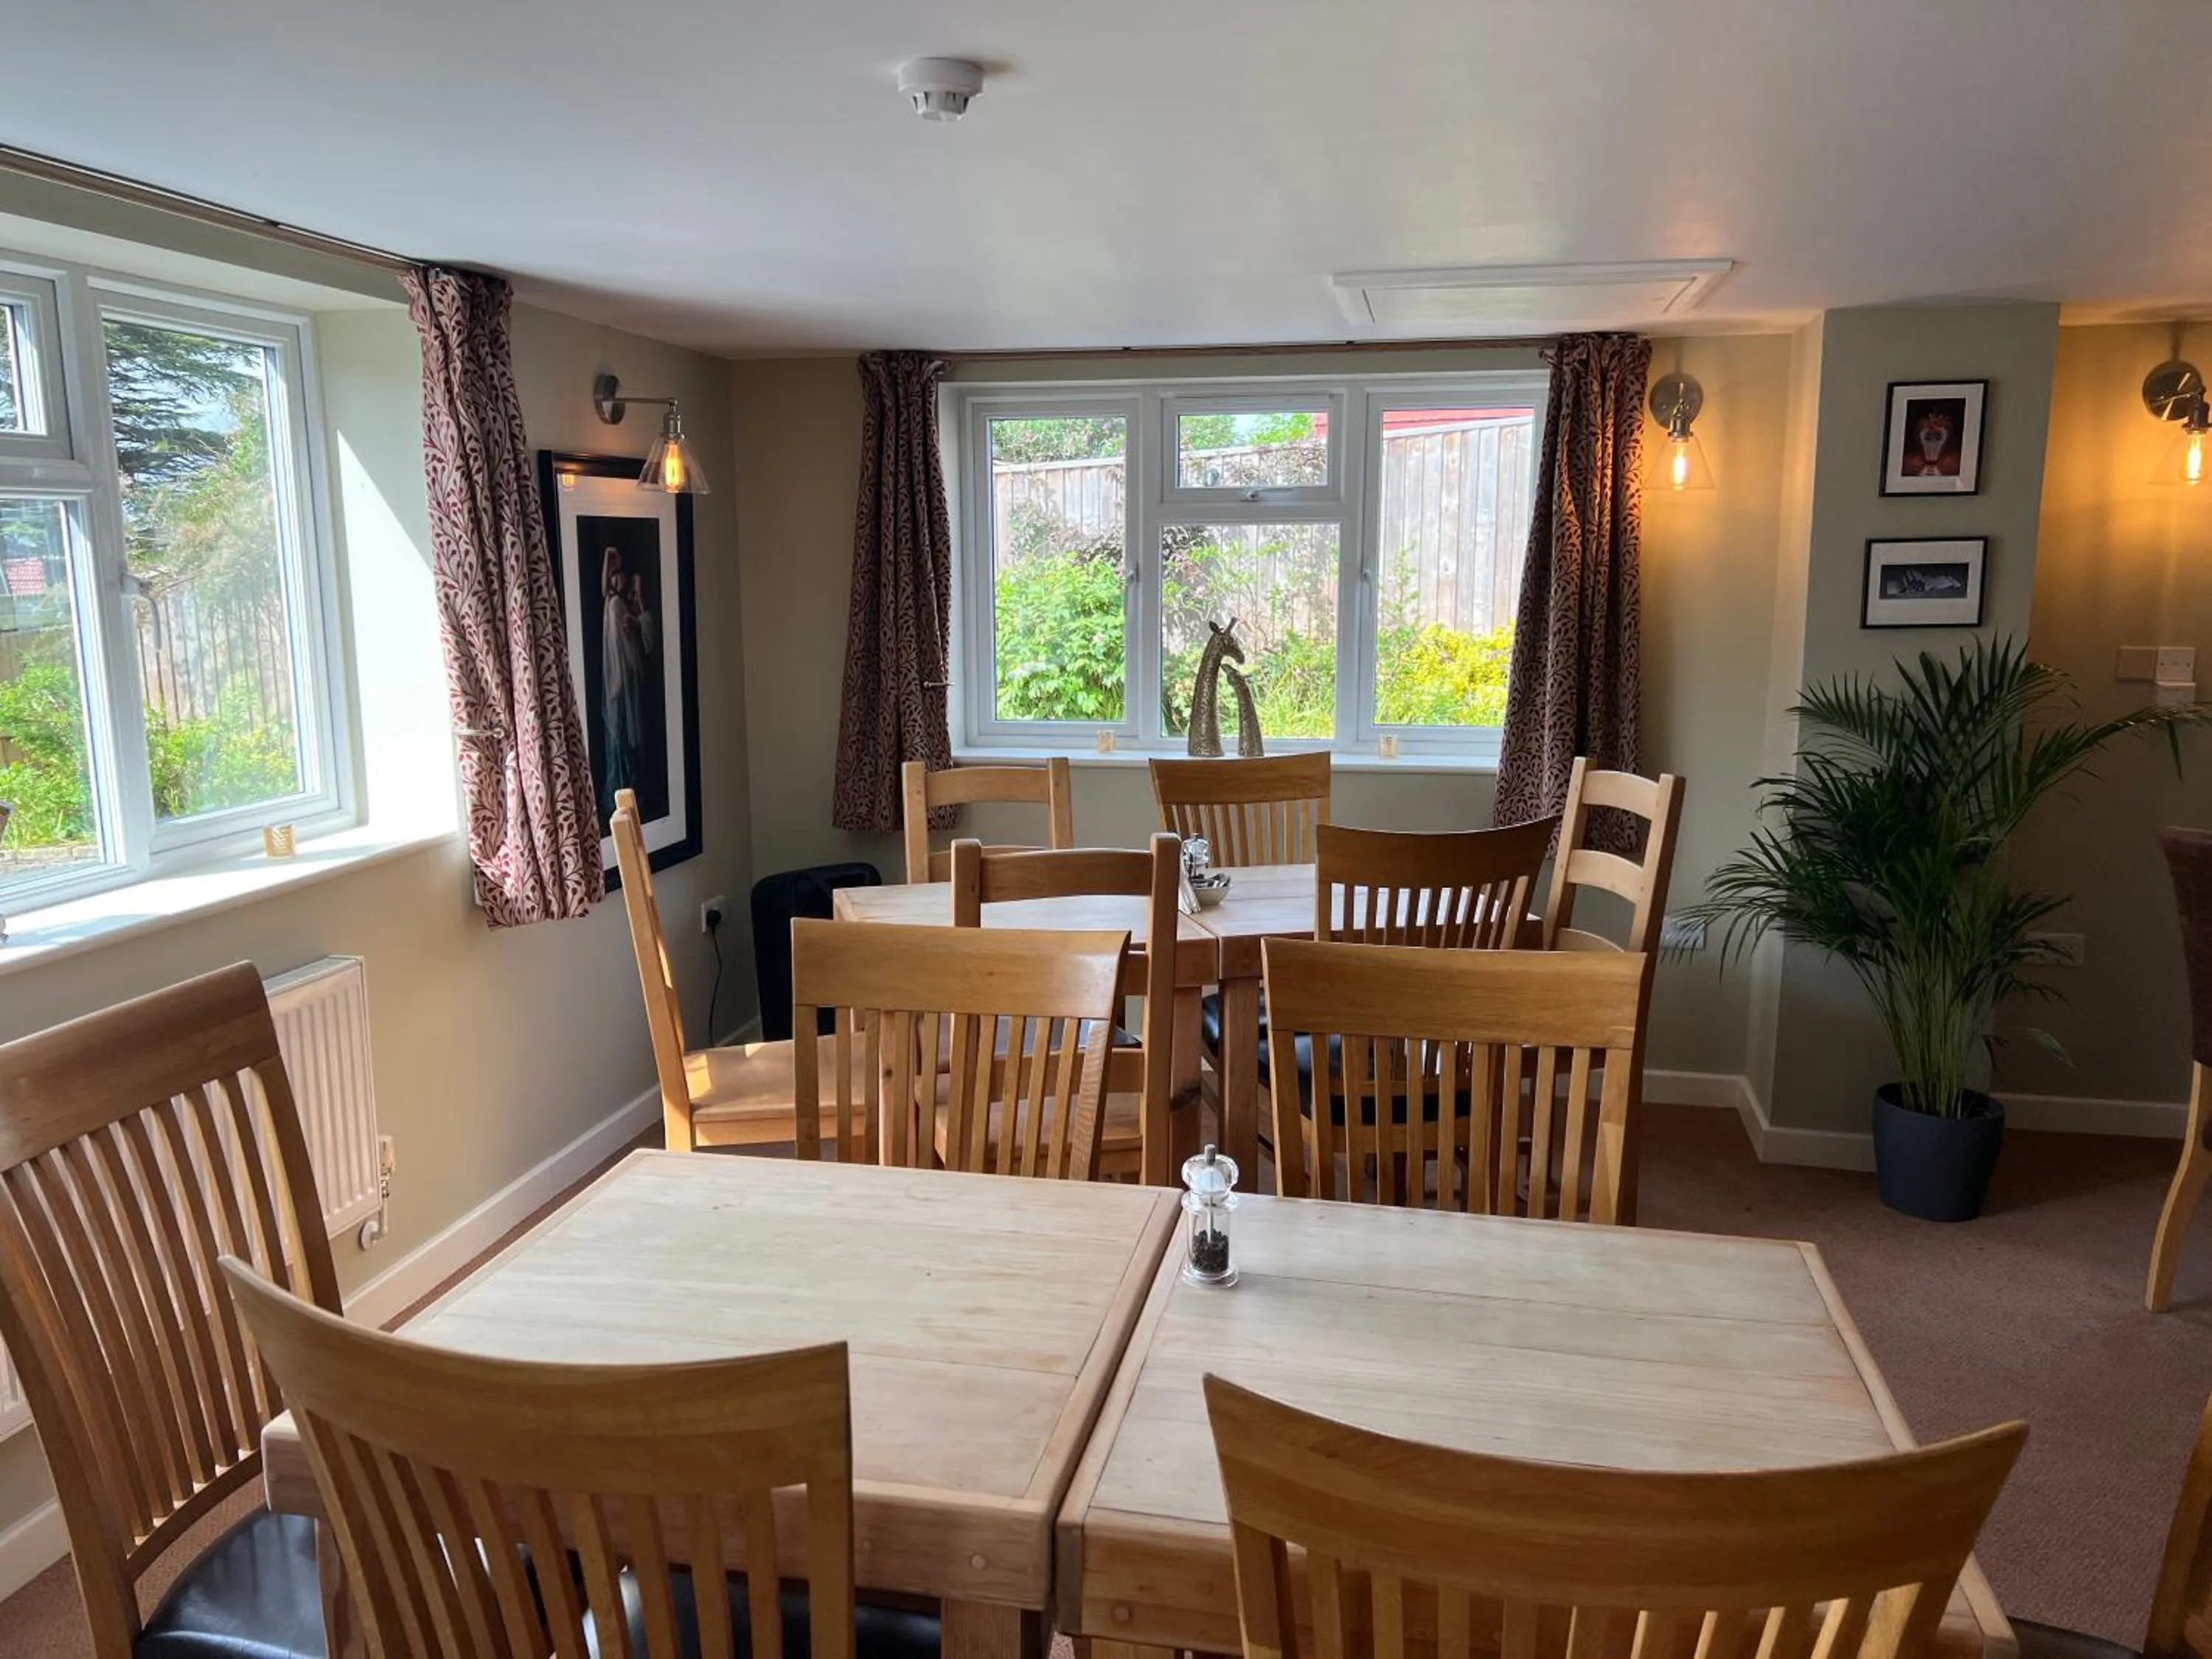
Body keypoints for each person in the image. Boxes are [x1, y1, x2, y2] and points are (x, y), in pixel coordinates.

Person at [599, 546, 653, 815]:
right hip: (621, 682)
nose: (619, 580)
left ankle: (633, 792)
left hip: (626, 680)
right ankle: (626, 792)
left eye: (621, 575)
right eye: (615, 576)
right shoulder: (614, 604)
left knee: (629, 740)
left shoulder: (623, 606)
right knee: (623, 740)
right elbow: (618, 649)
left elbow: (634, 644)